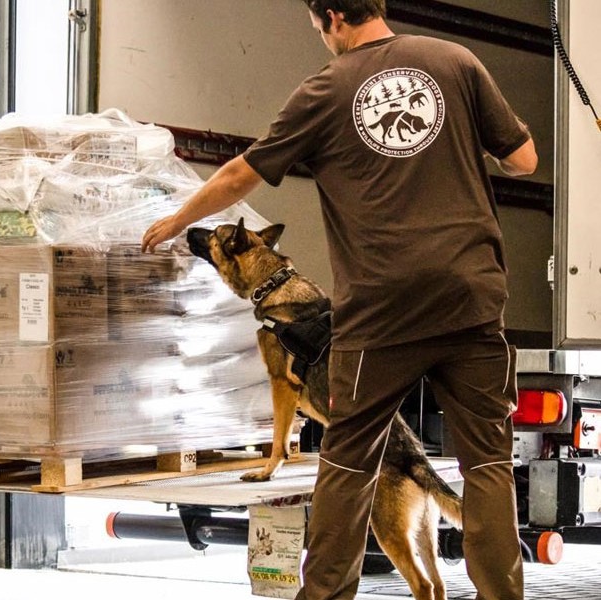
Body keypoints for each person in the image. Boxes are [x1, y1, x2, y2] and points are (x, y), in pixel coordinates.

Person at [141, 1, 537, 599]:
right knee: (486, 465)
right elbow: (525, 160)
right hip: (470, 298)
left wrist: (177, 221)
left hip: (379, 312)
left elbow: (238, 177)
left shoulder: (323, 90)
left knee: (349, 462)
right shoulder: (455, 60)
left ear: (330, 16)